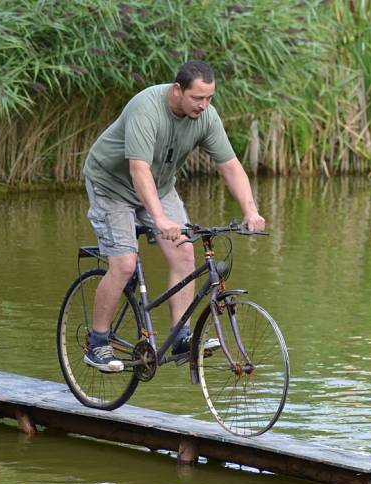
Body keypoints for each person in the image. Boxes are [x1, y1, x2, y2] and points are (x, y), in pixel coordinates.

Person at [82, 60, 265, 372]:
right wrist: (160, 219)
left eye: (210, 98)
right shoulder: (147, 108)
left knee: (184, 254)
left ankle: (181, 336)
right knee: (125, 263)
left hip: (160, 186)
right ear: (177, 90)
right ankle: (98, 341)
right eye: (197, 98)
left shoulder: (205, 117)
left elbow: (231, 165)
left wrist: (251, 209)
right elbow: (138, 170)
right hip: (111, 185)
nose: (204, 106)